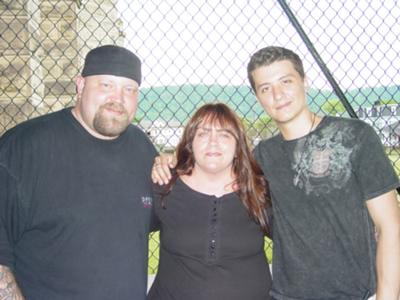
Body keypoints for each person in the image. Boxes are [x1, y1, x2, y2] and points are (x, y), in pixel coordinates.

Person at [152, 46, 400, 300]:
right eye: (265, 88)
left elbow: (390, 226)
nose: (278, 95)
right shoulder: (262, 157)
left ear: (304, 81)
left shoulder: (355, 136)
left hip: (355, 293)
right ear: (258, 97)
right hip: (287, 295)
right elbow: (213, 168)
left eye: (286, 81)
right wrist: (169, 160)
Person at [0, 45, 157, 300]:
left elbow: (171, 216)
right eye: (106, 85)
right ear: (80, 85)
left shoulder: (143, 151)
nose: (117, 99)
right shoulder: (24, 148)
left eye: (129, 89)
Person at [147, 103, 272, 300]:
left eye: (224, 135)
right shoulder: (164, 186)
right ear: (190, 142)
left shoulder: (259, 191)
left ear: (238, 146)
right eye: (203, 134)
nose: (213, 142)